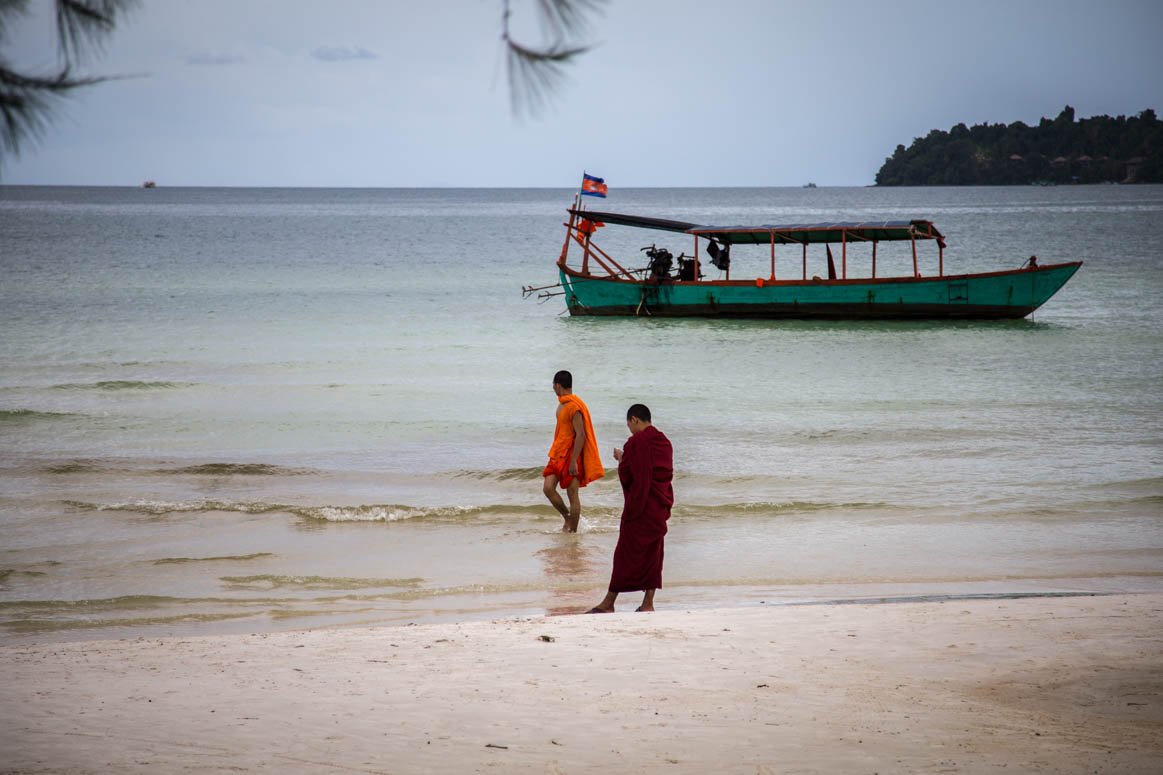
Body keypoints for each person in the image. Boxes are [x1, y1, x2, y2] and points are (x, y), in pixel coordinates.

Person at [588, 403, 673, 613]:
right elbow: (660, 474)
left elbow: (631, 475)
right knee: (654, 554)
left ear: (634, 419)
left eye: (629, 425)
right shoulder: (665, 442)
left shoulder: (637, 442)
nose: (630, 430)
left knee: (624, 554)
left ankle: (609, 603)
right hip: (658, 506)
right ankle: (648, 603)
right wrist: (627, 460)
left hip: (641, 508)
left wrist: (621, 459)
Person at [542, 370, 603, 532]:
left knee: (572, 493)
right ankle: (567, 518)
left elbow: (581, 435)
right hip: (557, 453)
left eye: (553, 386)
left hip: (572, 454)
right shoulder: (561, 404)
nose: (553, 389)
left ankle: (573, 533)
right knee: (548, 488)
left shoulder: (574, 407)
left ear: (557, 385)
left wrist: (574, 460)